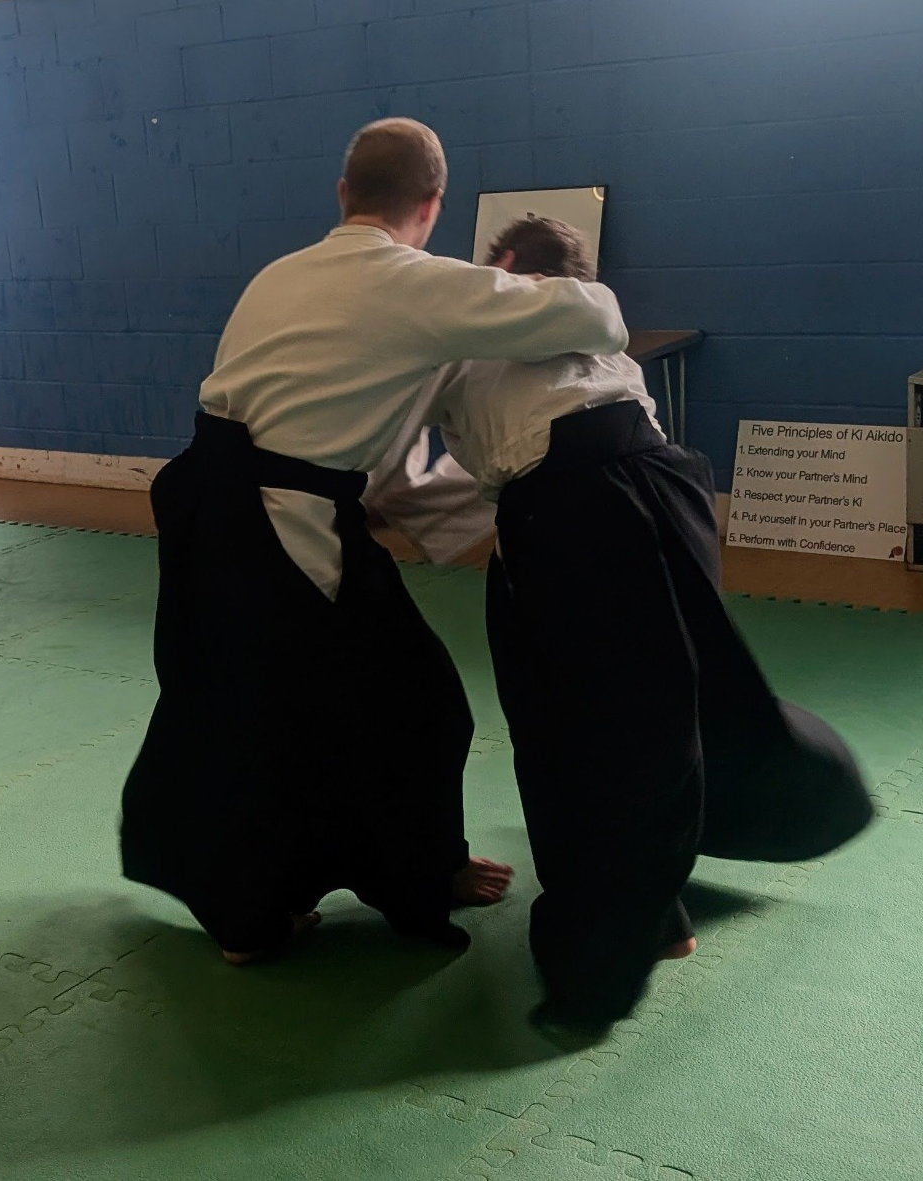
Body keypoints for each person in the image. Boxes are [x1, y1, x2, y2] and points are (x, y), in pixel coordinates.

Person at [120, 123, 631, 964]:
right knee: (410, 706)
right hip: (280, 530)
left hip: (203, 511)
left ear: (342, 193)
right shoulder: (413, 281)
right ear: (432, 206)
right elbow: (596, 317)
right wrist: (541, 285)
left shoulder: (279, 274)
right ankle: (376, 885)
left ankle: (269, 906)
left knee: (238, 708)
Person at [418, 217, 875, 1033]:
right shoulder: (604, 329)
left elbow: (467, 456)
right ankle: (680, 895)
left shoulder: (483, 331)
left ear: (508, 265)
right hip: (669, 487)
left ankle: (611, 947)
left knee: (571, 729)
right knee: (680, 701)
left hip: (574, 511)